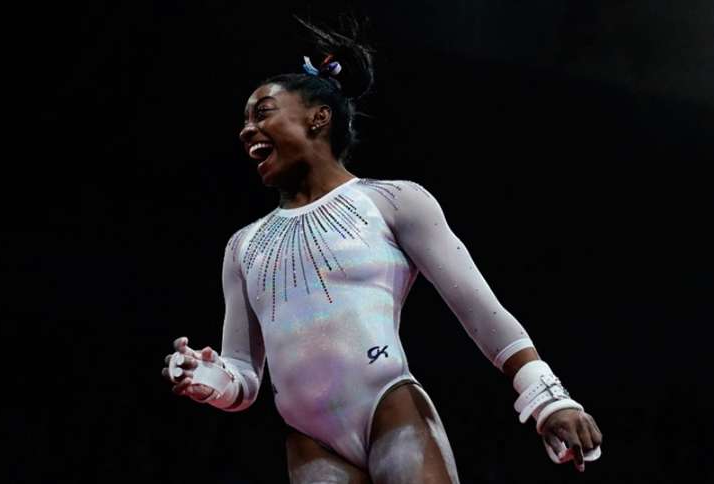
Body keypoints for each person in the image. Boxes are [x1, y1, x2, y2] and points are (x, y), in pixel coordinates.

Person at [161, 17, 602, 483]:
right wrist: (209, 380)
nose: (247, 130)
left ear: (318, 117)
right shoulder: (243, 246)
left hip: (389, 408)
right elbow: (245, 379)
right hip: (308, 441)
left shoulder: (392, 202)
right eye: (245, 121)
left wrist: (546, 395)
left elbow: (479, 309)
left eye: (263, 113)